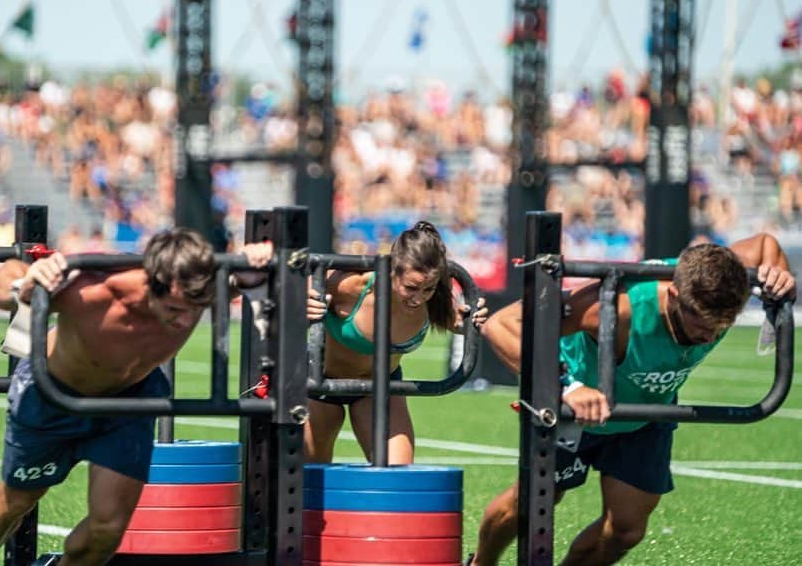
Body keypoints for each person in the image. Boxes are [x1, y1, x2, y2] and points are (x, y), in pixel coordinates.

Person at [469, 235, 795, 566]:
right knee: (530, 504)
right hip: (574, 407)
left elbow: (765, 245)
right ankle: (480, 564)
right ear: (674, 294)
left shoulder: (723, 274)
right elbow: (504, 324)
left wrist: (778, 274)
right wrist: (566, 387)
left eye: (721, 325)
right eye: (700, 323)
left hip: (644, 414)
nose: (709, 336)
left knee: (626, 530)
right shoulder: (618, 306)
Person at [0, 229, 273, 566]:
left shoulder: (196, 289)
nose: (185, 320)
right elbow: (3, 282)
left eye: (195, 308)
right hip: (54, 396)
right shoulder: (94, 290)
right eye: (174, 308)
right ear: (150, 287)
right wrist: (24, 280)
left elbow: (245, 275)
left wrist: (254, 258)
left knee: (107, 529)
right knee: (18, 499)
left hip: (128, 402)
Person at [305, 221, 487, 464]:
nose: (418, 298)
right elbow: (298, 285)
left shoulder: (434, 299)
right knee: (308, 480)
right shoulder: (353, 286)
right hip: (322, 382)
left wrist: (468, 323)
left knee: (397, 477)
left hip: (381, 387)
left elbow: (455, 321)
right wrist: (302, 299)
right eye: (411, 287)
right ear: (392, 271)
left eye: (428, 289)